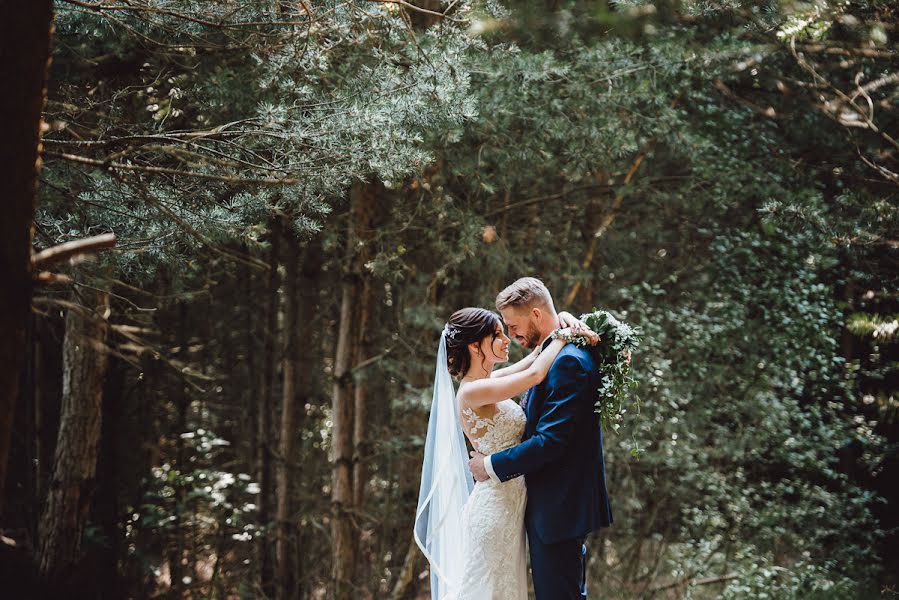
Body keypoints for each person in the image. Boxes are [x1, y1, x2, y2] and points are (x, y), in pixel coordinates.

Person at [414, 296, 599, 600]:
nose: (506, 340)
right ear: (475, 346)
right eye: (497, 335)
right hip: (495, 510)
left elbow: (537, 356)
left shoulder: (490, 380)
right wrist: (565, 334)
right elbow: (534, 374)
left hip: (512, 504)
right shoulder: (474, 392)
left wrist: (563, 318)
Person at [467, 277, 614, 599]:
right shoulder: (551, 352)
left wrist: (490, 465)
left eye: (513, 325)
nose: (511, 334)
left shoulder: (568, 362)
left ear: (536, 314)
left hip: (559, 505)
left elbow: (552, 441)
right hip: (548, 502)